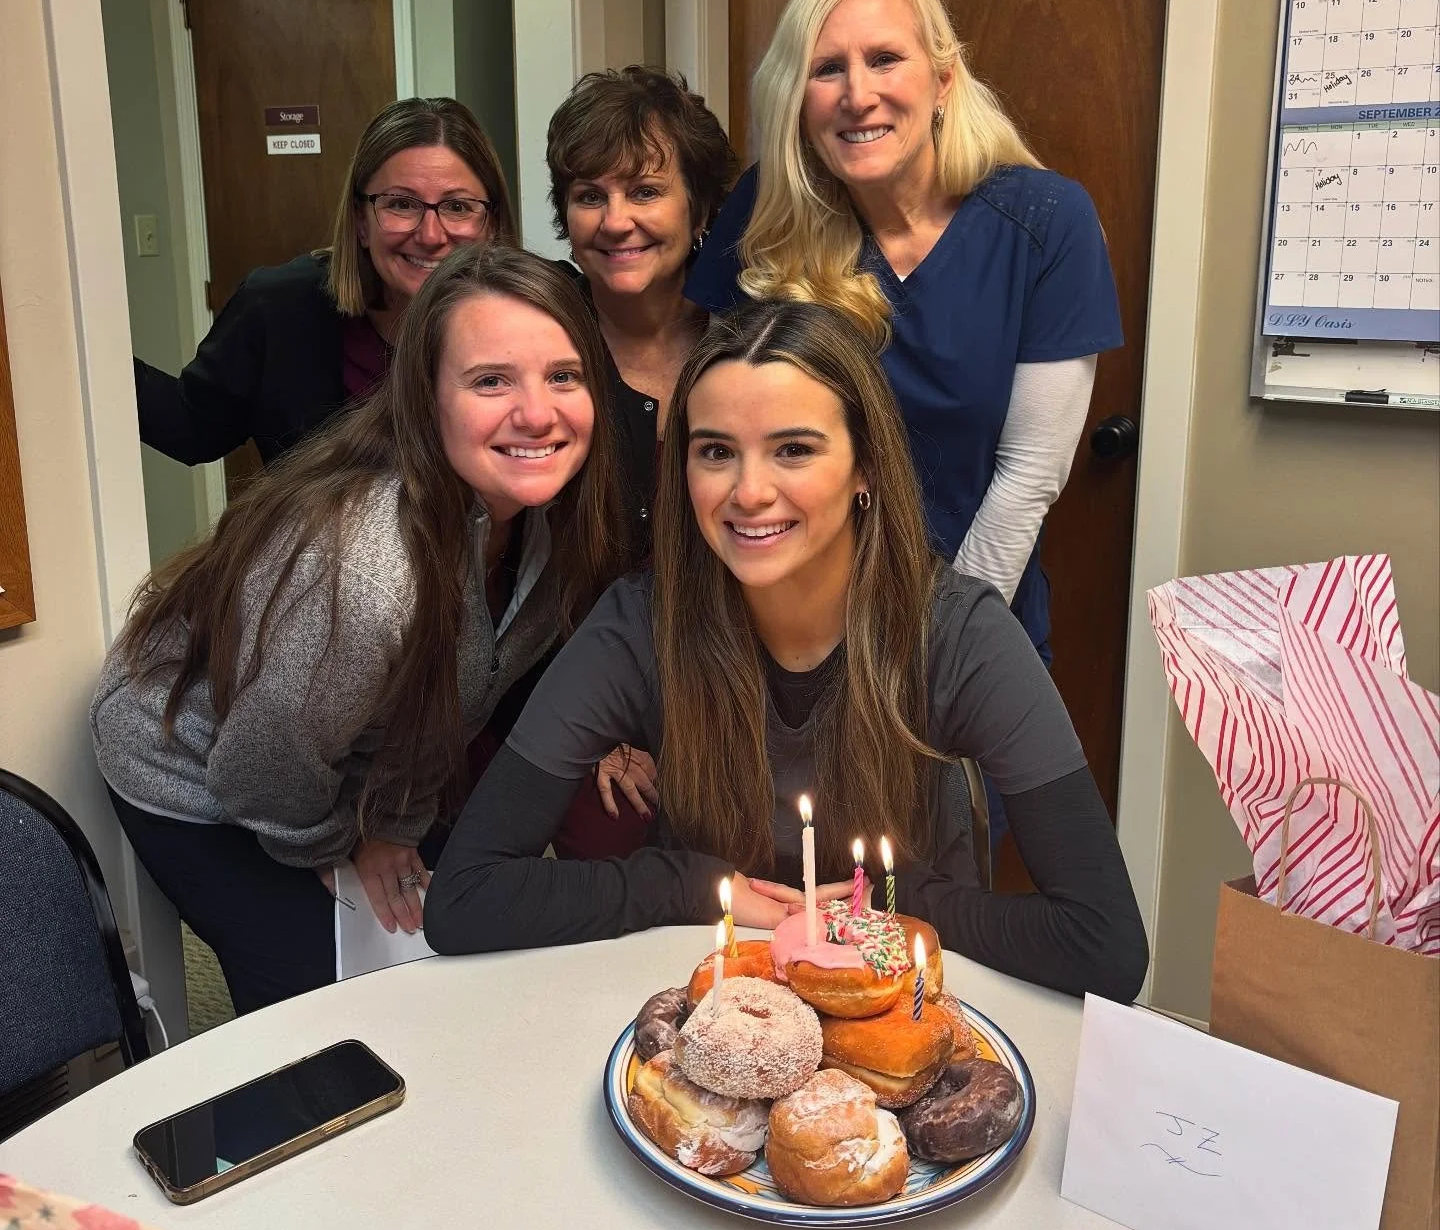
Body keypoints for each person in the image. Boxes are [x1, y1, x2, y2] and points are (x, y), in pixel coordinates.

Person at [424, 302, 1149, 1003]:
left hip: (900, 994)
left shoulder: (960, 635)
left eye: (793, 449)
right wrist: (679, 883)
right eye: (716, 451)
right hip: (713, 995)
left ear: (865, 466)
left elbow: (1104, 943)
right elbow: (465, 895)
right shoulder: (640, 625)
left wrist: (889, 904)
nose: (749, 491)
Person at [94, 244, 627, 1014]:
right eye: (490, 381)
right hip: (196, 761)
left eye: (563, 375)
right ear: (426, 395)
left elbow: (450, 697)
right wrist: (340, 844)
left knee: (447, 932)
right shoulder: (368, 570)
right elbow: (259, 766)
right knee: (320, 1010)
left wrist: (394, 825)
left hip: (341, 751)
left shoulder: (552, 518)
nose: (538, 412)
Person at [684, 0, 1122, 669]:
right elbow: (719, 434)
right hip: (785, 643)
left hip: (967, 637)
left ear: (944, 79)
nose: (858, 94)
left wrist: (933, 652)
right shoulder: (765, 211)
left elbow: (1029, 476)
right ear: (797, 95)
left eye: (885, 59)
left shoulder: (1045, 221)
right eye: (827, 69)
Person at [135, 97, 516, 467]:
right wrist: (81, 354)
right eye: (401, 204)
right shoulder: (279, 308)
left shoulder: (534, 312)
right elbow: (191, 428)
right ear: (360, 221)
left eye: (457, 207)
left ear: (492, 224)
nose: (431, 235)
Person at [546, 65, 738, 558]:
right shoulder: (538, 337)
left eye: (645, 192)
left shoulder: (750, 338)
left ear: (699, 210)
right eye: (590, 196)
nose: (615, 222)